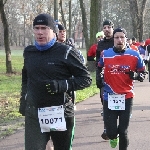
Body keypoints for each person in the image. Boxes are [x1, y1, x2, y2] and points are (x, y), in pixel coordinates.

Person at [19, 13, 92, 150]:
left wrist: (61, 85)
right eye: (37, 28)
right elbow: (26, 78)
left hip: (60, 112)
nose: (40, 32)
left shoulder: (66, 52)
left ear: (54, 31)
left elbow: (86, 79)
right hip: (34, 113)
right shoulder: (29, 52)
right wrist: (23, 100)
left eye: (44, 28)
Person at [98, 27, 146, 149]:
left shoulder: (134, 55)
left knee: (123, 131)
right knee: (111, 132)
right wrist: (99, 78)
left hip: (127, 97)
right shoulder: (106, 54)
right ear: (113, 39)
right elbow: (99, 68)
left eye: (122, 37)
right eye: (117, 37)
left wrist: (136, 75)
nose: (119, 40)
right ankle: (113, 137)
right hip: (110, 97)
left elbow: (143, 72)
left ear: (126, 39)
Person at [96, 19, 114, 140]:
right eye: (104, 27)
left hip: (118, 79)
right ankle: (107, 128)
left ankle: (117, 126)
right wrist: (98, 78)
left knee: (117, 106)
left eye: (109, 27)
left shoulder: (118, 40)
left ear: (112, 28)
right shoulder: (100, 44)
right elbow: (98, 63)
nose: (106, 29)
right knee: (106, 105)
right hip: (104, 79)